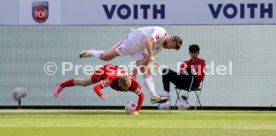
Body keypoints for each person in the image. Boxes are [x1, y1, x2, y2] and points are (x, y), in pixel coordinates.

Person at [79, 26, 183, 104]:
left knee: (146, 70)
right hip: (132, 42)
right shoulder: (161, 32)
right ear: (171, 38)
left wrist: (135, 70)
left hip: (139, 50)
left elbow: (147, 59)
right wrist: (152, 57)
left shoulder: (160, 48)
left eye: (171, 48)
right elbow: (148, 41)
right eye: (171, 46)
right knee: (106, 57)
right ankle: (93, 52)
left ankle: (153, 96)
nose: (169, 48)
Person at [53, 64, 144, 115]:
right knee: (84, 83)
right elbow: (96, 87)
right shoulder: (110, 80)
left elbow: (141, 95)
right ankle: (62, 85)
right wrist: (101, 95)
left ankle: (134, 73)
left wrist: (137, 111)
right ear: (119, 85)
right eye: (125, 89)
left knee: (134, 79)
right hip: (105, 71)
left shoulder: (133, 83)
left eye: (128, 88)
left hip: (118, 71)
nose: (127, 90)